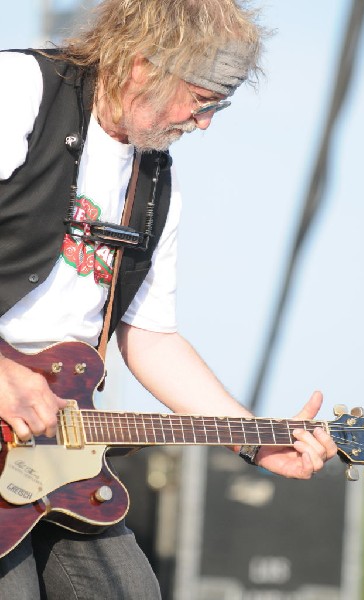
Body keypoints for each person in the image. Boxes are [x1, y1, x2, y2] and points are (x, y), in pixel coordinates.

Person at [0, 0, 337, 597]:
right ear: (142, 66)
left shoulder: (155, 182)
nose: (204, 122)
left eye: (219, 106)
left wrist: (253, 437)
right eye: (203, 99)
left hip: (55, 445)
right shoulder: (20, 90)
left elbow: (149, 334)